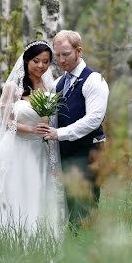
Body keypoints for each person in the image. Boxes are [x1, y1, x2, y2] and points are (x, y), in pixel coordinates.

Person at [0, 40, 66, 247]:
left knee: (36, 190)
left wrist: (45, 132)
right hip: (16, 148)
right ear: (27, 60)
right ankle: (3, 238)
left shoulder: (49, 86)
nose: (41, 66)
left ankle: (35, 241)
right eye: (36, 61)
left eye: (45, 62)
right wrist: (30, 130)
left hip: (38, 150)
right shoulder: (12, 87)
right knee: (12, 190)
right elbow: (6, 121)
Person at [36, 30, 109, 228]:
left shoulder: (94, 80)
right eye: (57, 55)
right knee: (69, 206)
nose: (61, 60)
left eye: (66, 54)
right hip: (65, 153)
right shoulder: (59, 83)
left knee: (85, 207)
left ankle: (88, 251)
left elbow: (94, 119)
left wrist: (59, 134)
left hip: (88, 152)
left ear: (79, 51)